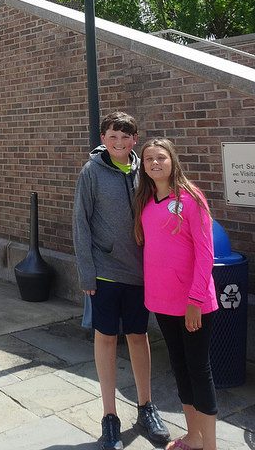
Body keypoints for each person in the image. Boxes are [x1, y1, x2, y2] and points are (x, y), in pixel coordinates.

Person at [73, 111, 170, 450]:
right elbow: (81, 223)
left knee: (138, 335)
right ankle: (110, 416)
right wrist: (85, 271)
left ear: (134, 139)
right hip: (104, 271)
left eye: (125, 137)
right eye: (112, 136)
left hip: (141, 272)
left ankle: (146, 407)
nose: (118, 142)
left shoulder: (145, 170)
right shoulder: (91, 172)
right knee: (106, 339)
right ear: (103, 138)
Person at [135, 137, 218, 450]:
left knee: (199, 369)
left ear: (172, 161)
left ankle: (210, 445)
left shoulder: (191, 197)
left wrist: (195, 301)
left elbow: (205, 253)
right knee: (180, 368)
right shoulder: (145, 200)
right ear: (142, 166)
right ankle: (193, 436)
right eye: (148, 159)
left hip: (193, 304)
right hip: (162, 302)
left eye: (161, 158)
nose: (155, 164)